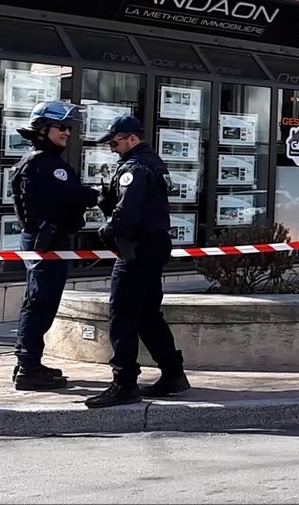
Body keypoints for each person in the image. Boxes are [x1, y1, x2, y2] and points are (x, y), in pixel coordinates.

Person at [85, 116, 187, 409]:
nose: (113, 148)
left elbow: (127, 215)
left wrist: (107, 232)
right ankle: (172, 373)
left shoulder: (136, 167)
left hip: (137, 249)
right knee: (146, 314)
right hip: (153, 246)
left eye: (115, 142)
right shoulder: (151, 163)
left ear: (131, 138)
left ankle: (124, 383)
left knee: (122, 314)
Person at [10, 101, 100, 391]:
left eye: (68, 128)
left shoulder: (40, 161)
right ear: (43, 129)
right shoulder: (45, 164)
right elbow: (77, 195)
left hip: (44, 240)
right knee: (40, 303)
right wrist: (102, 194)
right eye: (61, 127)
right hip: (45, 243)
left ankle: (28, 362)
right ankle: (28, 367)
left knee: (39, 301)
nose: (67, 133)